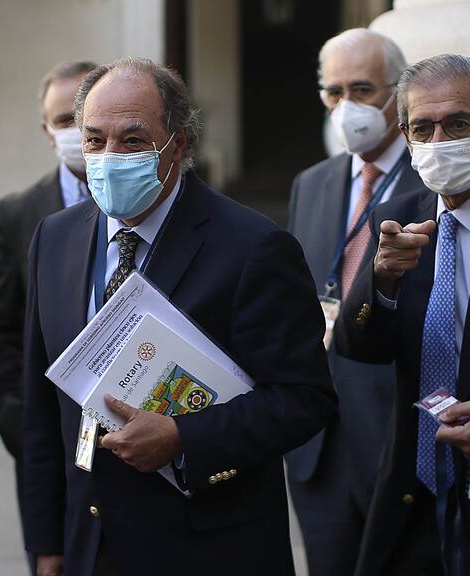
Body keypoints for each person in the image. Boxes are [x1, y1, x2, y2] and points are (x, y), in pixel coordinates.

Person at [22, 57, 336, 576]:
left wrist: (184, 437)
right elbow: (41, 406)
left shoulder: (254, 247)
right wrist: (46, 541)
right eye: (95, 140)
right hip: (90, 542)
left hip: (208, 547)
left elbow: (305, 400)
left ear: (180, 144)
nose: (109, 157)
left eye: (133, 140)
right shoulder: (53, 238)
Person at [285, 29, 425, 575]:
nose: (347, 108)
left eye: (363, 90)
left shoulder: (434, 179)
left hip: (398, 433)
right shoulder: (312, 184)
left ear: (398, 92)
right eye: (333, 92)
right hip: (318, 443)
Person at [336, 53, 470, 576]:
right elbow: (356, 347)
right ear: (406, 138)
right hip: (415, 490)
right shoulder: (400, 215)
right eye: (423, 128)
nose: (440, 141)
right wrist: (381, 279)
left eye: (458, 123)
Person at [0, 59, 96, 538]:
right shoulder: (19, 212)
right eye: (64, 120)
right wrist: (17, 420)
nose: (77, 131)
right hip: (48, 447)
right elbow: (6, 327)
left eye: (85, 116)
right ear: (48, 132)